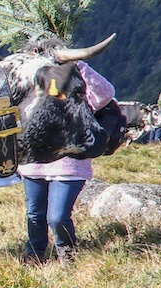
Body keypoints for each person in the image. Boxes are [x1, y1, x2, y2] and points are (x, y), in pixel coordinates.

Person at [18, 60, 116, 265]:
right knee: (35, 214)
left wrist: (79, 66)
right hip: (34, 162)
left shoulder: (78, 92)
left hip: (69, 162)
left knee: (57, 217)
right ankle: (34, 256)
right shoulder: (33, 84)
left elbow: (105, 94)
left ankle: (68, 255)